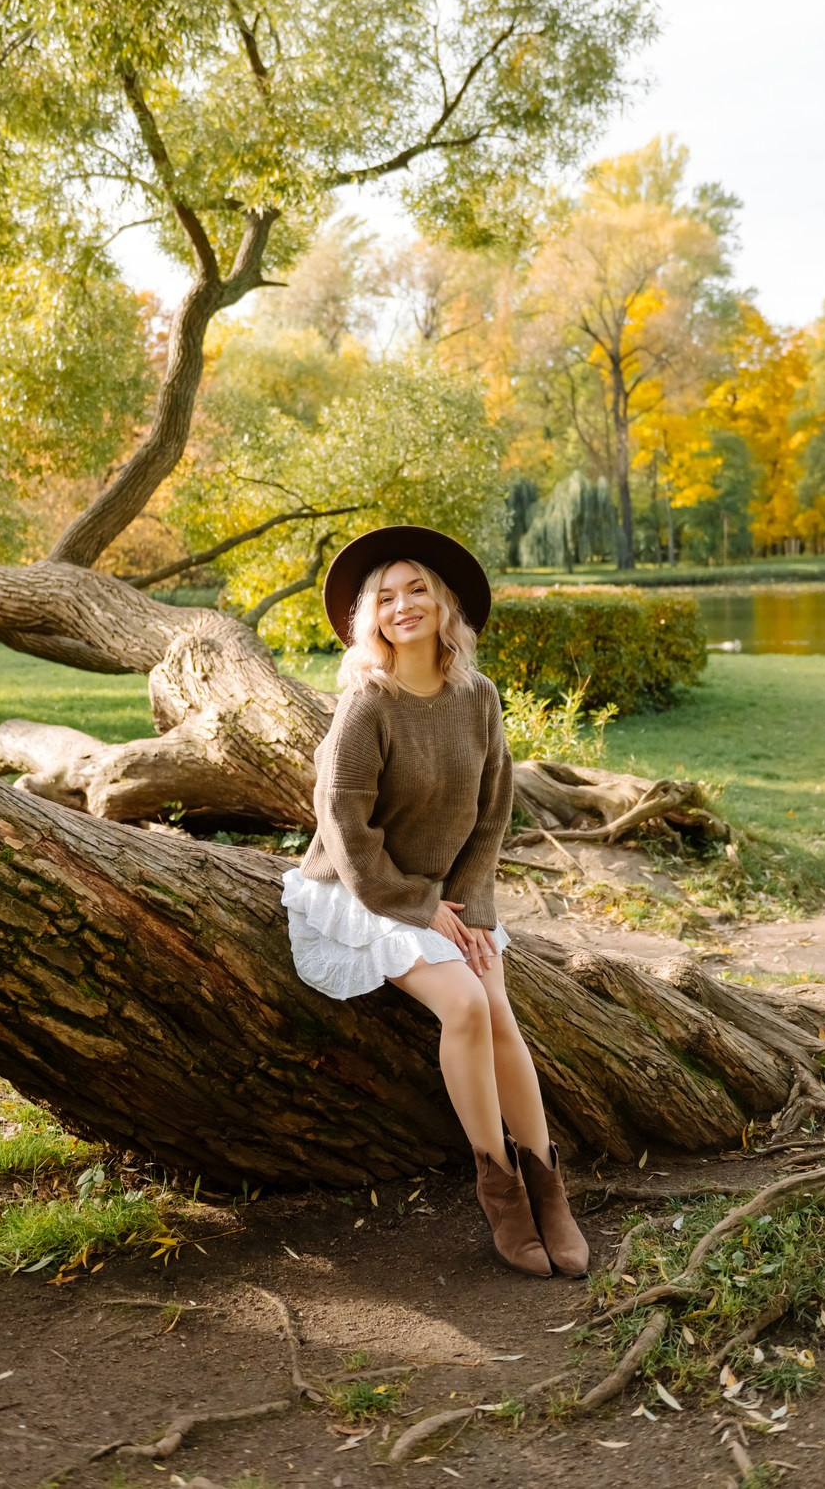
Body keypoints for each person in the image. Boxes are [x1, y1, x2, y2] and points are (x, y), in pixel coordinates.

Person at [281, 525, 588, 1278]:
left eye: (417, 588)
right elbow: (345, 830)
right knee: (467, 1006)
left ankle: (551, 1188)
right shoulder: (366, 708)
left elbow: (492, 814)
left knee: (500, 1008)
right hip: (364, 892)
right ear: (371, 619)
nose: (403, 604)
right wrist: (419, 906)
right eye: (386, 596)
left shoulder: (477, 698)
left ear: (444, 603)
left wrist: (470, 909)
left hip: (448, 896)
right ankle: (500, 1193)